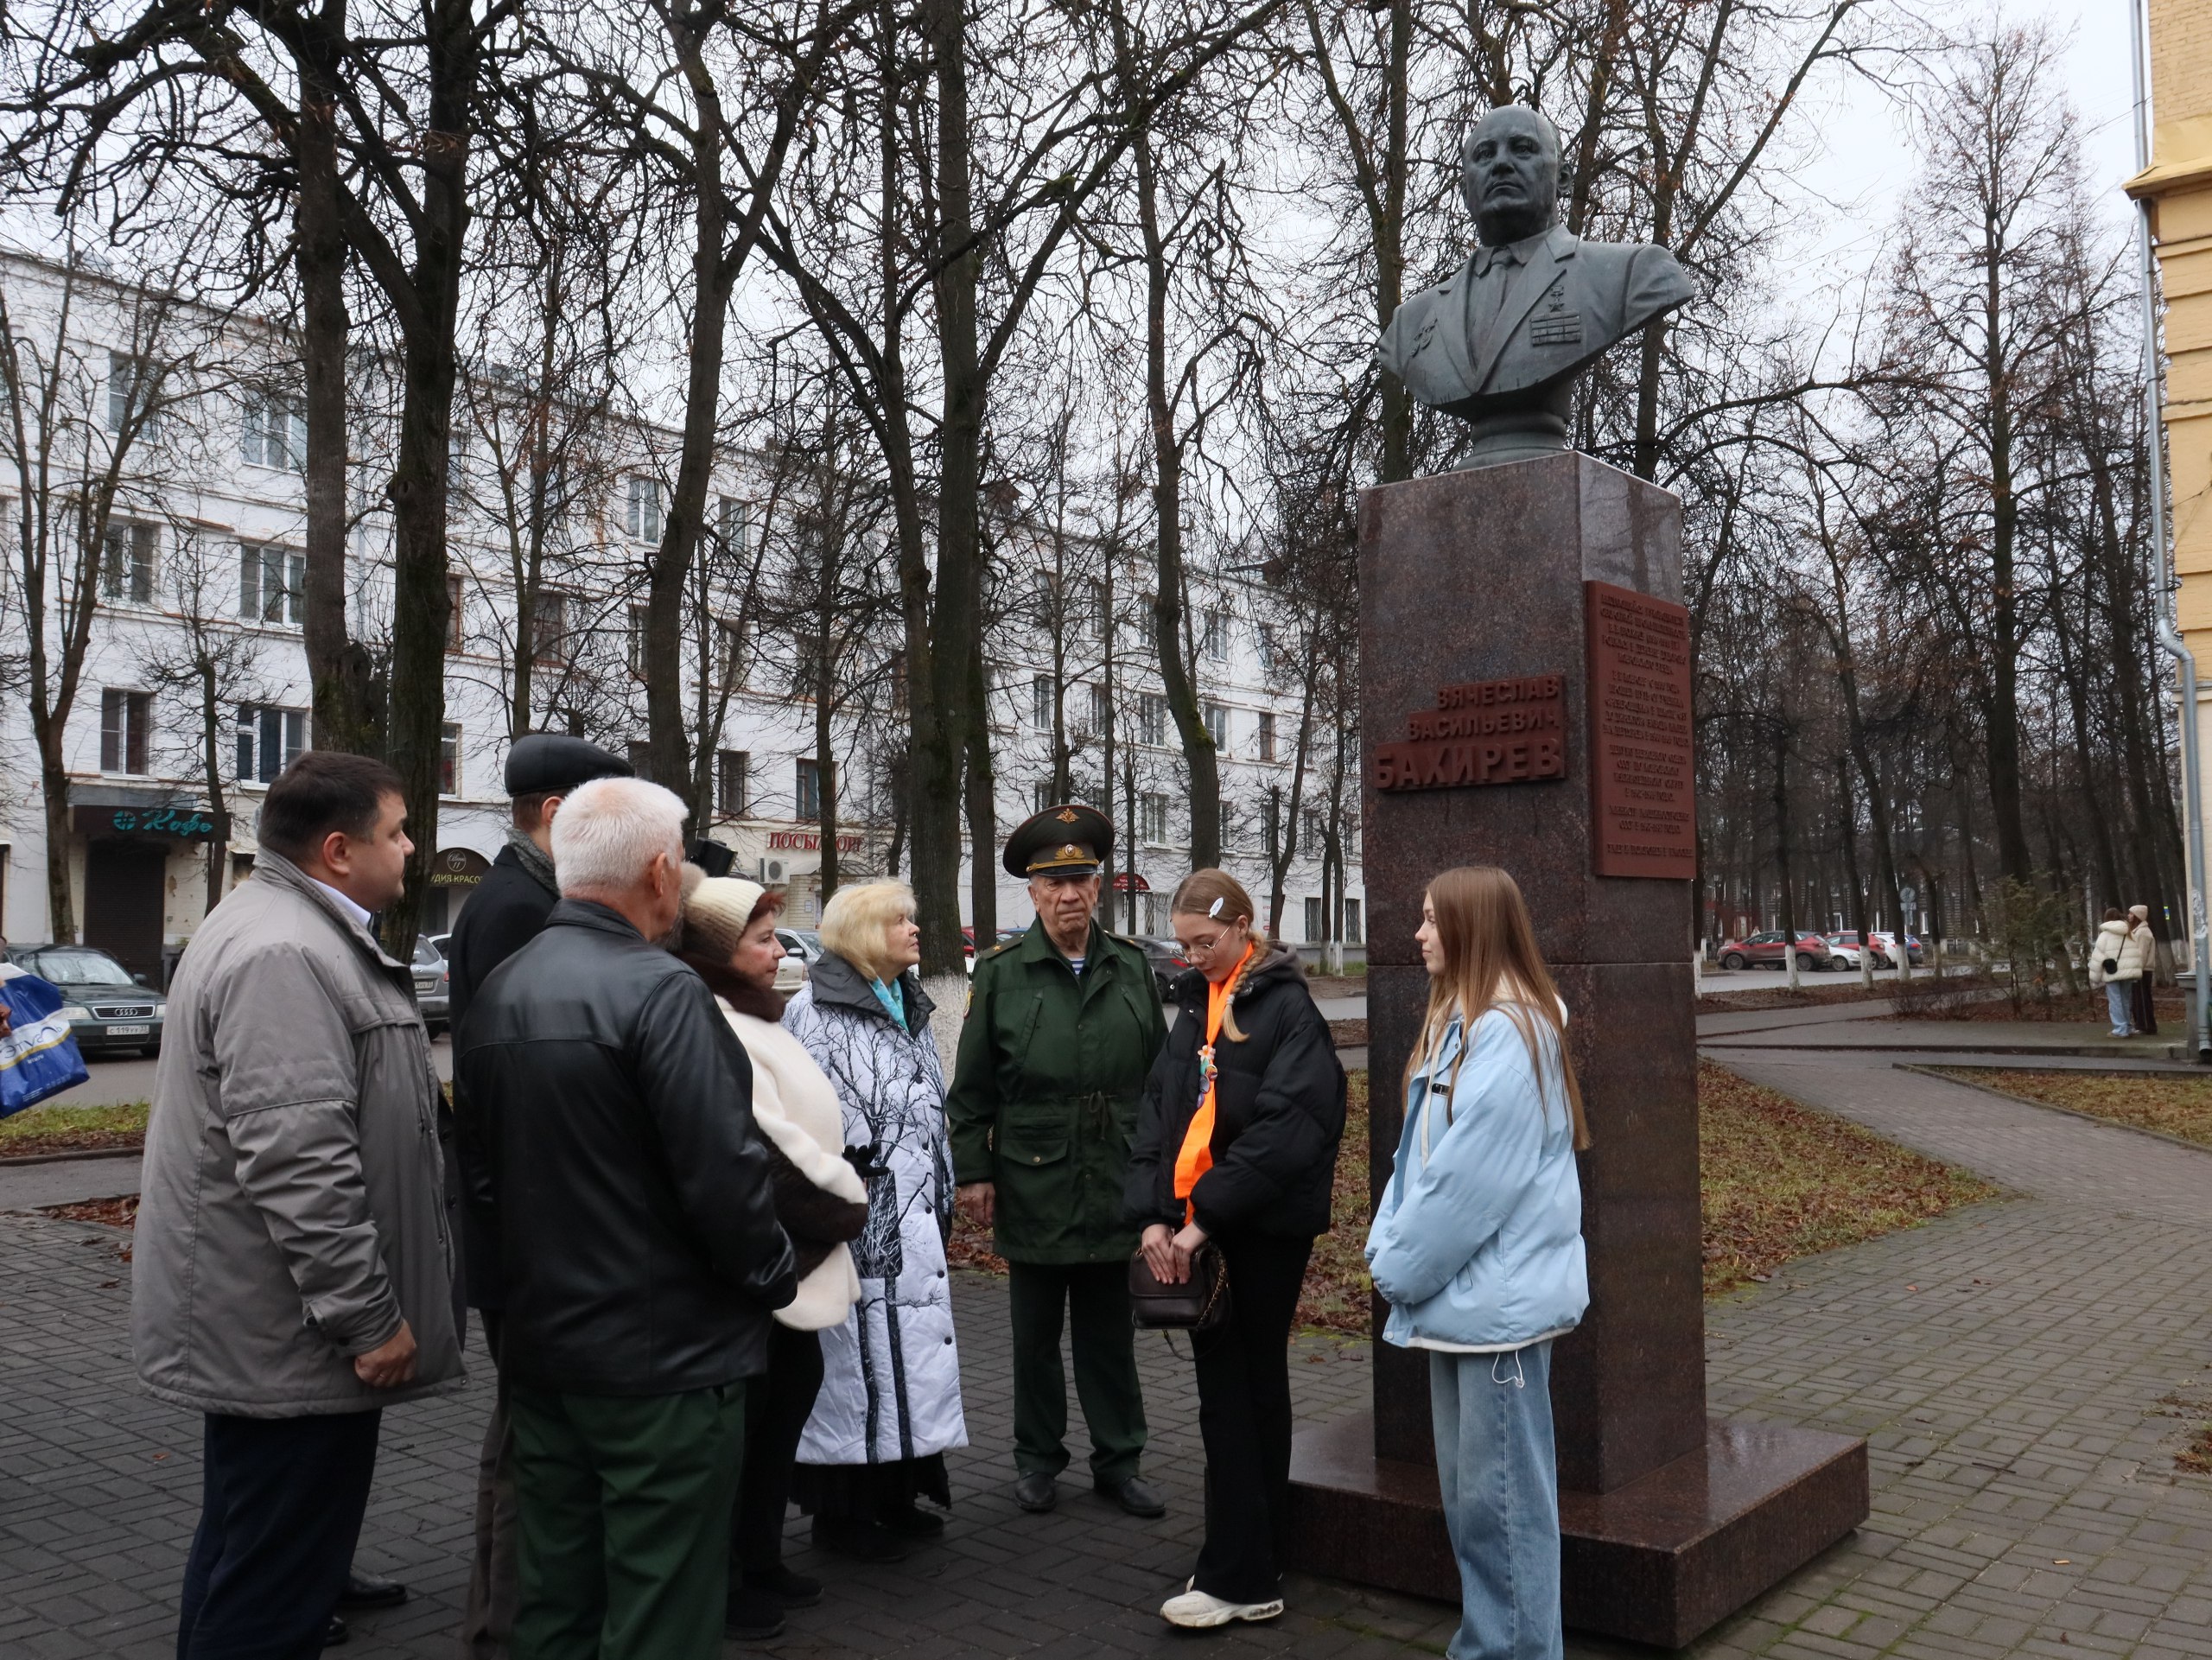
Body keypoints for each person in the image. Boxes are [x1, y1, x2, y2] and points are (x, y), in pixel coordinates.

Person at [134, 751, 466, 1660]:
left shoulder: (284, 926)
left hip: (270, 1325)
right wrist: (367, 1318)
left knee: (250, 1551)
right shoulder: (286, 949)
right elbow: (298, 1158)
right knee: (275, 1587)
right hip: (292, 1335)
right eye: (396, 831)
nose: (410, 848)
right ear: (335, 849)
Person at [454, 777, 795, 1660]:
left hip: (545, 1356)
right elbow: (723, 1176)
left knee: (555, 1600)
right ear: (659, 868)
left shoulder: (499, 989)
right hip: (666, 1371)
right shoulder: (662, 991)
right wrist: (769, 1280)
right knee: (661, 1608)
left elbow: (481, 1181)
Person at [1364, 866, 1590, 1660]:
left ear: (1470, 929)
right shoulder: (1472, 1024)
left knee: (1500, 1510)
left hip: (1494, 1318)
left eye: (1431, 920)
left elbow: (1466, 1187)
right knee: (1477, 1508)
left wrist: (1393, 1268)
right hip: (1471, 1313)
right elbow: (1415, 1164)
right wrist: (1387, 1244)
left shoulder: (1508, 1032)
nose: (1419, 934)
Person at [448, 731, 632, 1660]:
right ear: (556, 814)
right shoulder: (521, 908)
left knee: (525, 1431)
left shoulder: (519, 897)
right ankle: (509, 1623)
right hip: (528, 1236)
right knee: (528, 1443)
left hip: (524, 1228)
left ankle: (512, 1612)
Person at [1126, 868, 1345, 1630]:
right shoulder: (1198, 1004)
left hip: (1257, 1234)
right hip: (1205, 1225)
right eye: (1184, 945)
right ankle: (1248, 1553)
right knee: (1234, 1394)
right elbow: (1160, 1106)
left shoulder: (1286, 1008)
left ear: (1244, 927)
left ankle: (1241, 1575)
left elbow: (1292, 1130)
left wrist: (1200, 1220)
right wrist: (1154, 1213)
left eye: (1206, 942)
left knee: (1241, 1395)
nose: (1194, 956)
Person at [947, 804, 1168, 1517]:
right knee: (1035, 1337)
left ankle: (1120, 1458)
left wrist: (1164, 1177)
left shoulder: (1132, 967)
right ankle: (1037, 1458)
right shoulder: (1003, 974)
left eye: (1081, 878)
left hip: (1116, 1176)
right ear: (1034, 894)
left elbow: (1163, 1083)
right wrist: (973, 1173)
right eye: (1055, 883)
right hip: (1034, 1177)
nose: (1069, 894)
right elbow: (972, 1089)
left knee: (1109, 1335)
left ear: (1098, 887)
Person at [673, 871, 868, 1640]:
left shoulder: (759, 1013)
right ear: (721, 952)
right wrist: (842, 1208)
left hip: (797, 1254)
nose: (778, 950)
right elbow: (762, 1151)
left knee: (785, 1407)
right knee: (747, 1430)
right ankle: (729, 1578)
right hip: (767, 1259)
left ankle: (760, 1557)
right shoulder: (717, 1020)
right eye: (760, 939)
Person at [784, 880, 967, 1557]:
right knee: (858, 1362)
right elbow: (809, 1120)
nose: (916, 930)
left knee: (904, 1357)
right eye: (901, 921)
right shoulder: (816, 1011)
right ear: (863, 933)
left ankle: (897, 1492)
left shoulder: (906, 1003)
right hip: (863, 1214)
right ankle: (844, 1515)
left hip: (915, 1211)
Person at [2089, 906, 2151, 1038]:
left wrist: (2095, 977)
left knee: (2115, 1000)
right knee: (2125, 1000)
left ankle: (2120, 1029)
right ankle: (2127, 1026)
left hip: (2112, 972)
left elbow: (2098, 956)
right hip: (2128, 972)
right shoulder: (2130, 933)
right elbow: (2137, 953)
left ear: (2106, 919)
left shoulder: (2105, 935)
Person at [2131, 905, 2160, 1038]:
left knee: (2142, 999)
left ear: (2138, 916)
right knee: (2139, 998)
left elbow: (2141, 954)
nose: (2129, 916)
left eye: (2131, 914)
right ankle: (2143, 1025)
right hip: (2141, 969)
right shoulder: (2139, 931)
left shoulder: (2143, 933)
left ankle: (2145, 1026)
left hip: (2142, 970)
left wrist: (2136, 970)